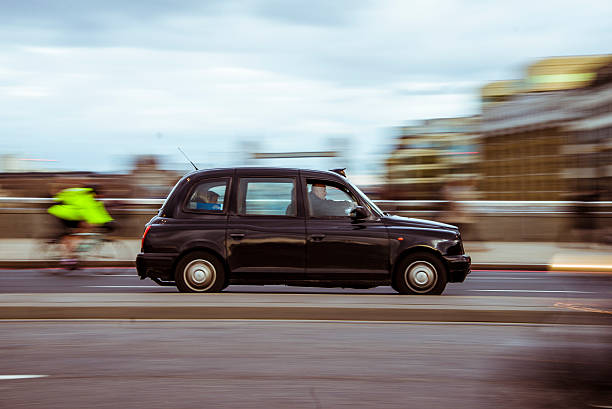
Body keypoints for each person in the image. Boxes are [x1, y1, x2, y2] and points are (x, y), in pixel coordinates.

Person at [47, 185, 114, 265]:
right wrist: (106, 223)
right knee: (72, 234)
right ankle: (68, 258)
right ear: (95, 194)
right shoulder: (87, 199)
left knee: (83, 229)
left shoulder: (90, 198)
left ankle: (72, 254)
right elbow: (93, 214)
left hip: (73, 213)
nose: (100, 198)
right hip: (64, 213)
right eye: (100, 196)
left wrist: (109, 221)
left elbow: (100, 211)